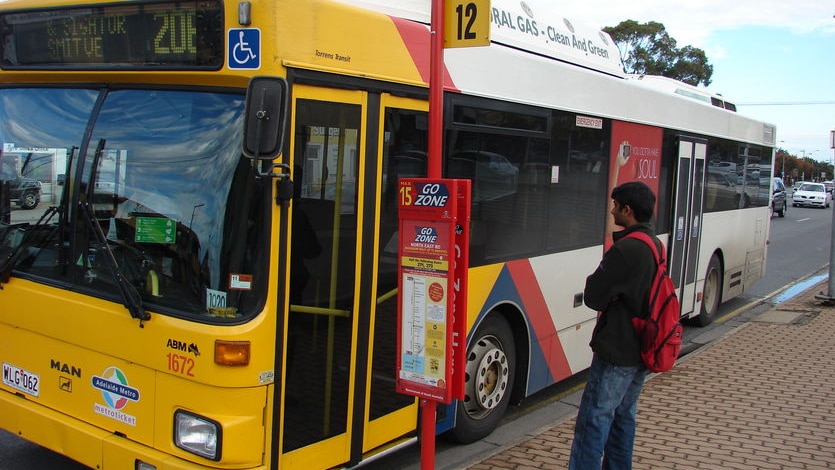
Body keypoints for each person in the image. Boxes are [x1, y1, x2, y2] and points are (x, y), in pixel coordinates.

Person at [569, 181, 659, 470]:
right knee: (624, 416)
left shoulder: (626, 249)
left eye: (615, 205)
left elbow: (594, 295)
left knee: (594, 418)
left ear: (627, 210)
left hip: (617, 348)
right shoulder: (654, 244)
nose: (611, 210)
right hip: (642, 346)